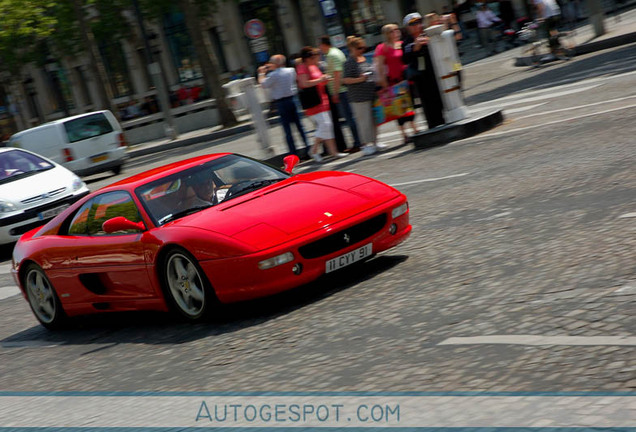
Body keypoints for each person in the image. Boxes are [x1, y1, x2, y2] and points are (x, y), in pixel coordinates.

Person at [296, 46, 347, 163]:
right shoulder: (302, 68)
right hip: (314, 102)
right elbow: (304, 83)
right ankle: (313, 150)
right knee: (325, 125)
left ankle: (333, 152)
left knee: (327, 126)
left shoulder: (314, 66)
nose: (317, 58)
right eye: (315, 57)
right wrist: (320, 80)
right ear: (308, 58)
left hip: (322, 98)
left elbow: (318, 80)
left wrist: (324, 80)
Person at [375, 23, 418, 145]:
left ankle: (414, 128)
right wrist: (383, 83)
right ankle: (404, 134)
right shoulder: (382, 48)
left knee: (410, 105)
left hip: (405, 79)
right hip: (393, 82)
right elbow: (379, 66)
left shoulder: (401, 44)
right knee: (398, 109)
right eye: (393, 31)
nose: (396, 32)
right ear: (387, 34)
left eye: (397, 30)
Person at [258, 54, 309, 156]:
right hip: (293, 99)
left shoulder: (273, 75)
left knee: (287, 130)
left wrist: (261, 73)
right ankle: (308, 148)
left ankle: (293, 153)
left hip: (281, 102)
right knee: (300, 126)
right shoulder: (291, 71)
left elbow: (263, 84)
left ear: (275, 64)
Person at [402, 12, 446, 129]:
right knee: (428, 103)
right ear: (407, 27)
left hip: (437, 73)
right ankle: (434, 126)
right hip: (422, 78)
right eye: (413, 24)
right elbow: (406, 57)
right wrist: (416, 47)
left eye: (418, 22)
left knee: (442, 100)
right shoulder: (407, 42)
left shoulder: (428, 33)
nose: (417, 25)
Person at [319, 36, 362, 153]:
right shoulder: (334, 53)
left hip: (341, 91)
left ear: (324, 44)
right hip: (341, 90)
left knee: (349, 117)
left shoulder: (332, 55)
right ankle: (358, 141)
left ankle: (358, 142)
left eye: (320, 45)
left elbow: (338, 74)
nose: (319, 48)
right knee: (349, 117)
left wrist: (336, 92)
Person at [343, 36, 379, 156]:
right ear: (352, 48)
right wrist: (360, 79)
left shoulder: (362, 58)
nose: (362, 50)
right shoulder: (349, 62)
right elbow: (346, 80)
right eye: (359, 48)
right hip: (358, 97)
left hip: (369, 94)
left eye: (363, 47)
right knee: (363, 122)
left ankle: (374, 142)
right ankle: (365, 145)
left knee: (373, 120)